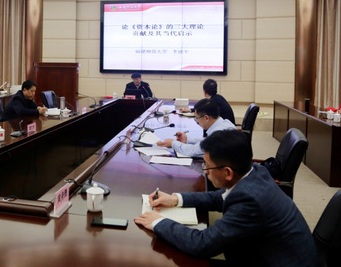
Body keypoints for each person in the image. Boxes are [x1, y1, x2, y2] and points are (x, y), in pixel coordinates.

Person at [135, 129, 317, 266]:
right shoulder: (255, 171)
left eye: (207, 166)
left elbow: (202, 244)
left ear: (228, 173)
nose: (205, 172)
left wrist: (158, 222)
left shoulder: (250, 201)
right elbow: (219, 198)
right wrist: (176, 199)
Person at [157, 98, 236, 158]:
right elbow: (206, 141)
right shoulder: (225, 123)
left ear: (206, 118)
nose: (197, 122)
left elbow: (193, 151)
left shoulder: (217, 135)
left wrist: (172, 143)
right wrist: (187, 140)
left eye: (197, 118)